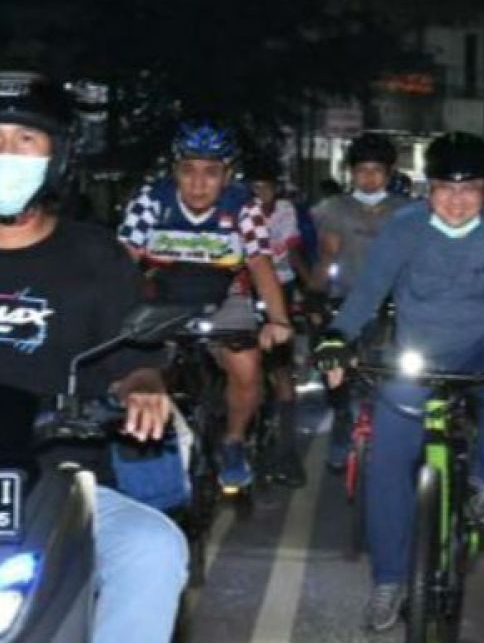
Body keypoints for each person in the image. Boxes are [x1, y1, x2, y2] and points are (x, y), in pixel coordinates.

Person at [0, 70, 188, 643]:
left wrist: (142, 387)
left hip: (61, 479)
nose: (6, 156)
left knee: (153, 551)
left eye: (24, 140)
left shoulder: (93, 255)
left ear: (56, 157)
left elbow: (135, 362)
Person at [313, 132, 484, 632]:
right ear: (428, 190)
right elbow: (369, 292)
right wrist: (336, 337)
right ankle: (389, 580)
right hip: (419, 350)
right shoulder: (404, 228)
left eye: (471, 190)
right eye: (446, 189)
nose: (458, 202)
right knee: (387, 461)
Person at [118, 122, 293, 492]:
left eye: (211, 173)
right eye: (188, 171)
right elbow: (121, 264)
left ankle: (233, 440)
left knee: (246, 365)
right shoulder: (151, 201)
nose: (198, 184)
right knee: (132, 369)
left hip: (222, 296)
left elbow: (261, 266)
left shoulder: (244, 207)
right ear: (174, 172)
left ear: (227, 175)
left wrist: (277, 320)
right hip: (161, 297)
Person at [309, 132, 408, 470]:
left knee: (398, 373)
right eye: (362, 170)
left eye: (377, 170)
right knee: (339, 373)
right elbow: (326, 257)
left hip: (395, 306)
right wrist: (315, 298)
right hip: (346, 301)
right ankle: (341, 426)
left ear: (390, 172)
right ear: (350, 172)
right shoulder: (331, 209)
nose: (369, 178)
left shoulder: (407, 211)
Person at [243, 155, 307, 486]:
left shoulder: (284, 211)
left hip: (280, 287)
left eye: (265, 187)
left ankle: (288, 452)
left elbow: (292, 253)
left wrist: (310, 288)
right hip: (242, 288)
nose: (260, 193)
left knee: (282, 371)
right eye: (254, 187)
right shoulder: (238, 210)